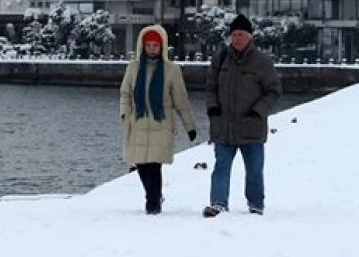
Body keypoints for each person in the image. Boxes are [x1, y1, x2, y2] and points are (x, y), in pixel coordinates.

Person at [204, 14, 282, 217]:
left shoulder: (262, 62)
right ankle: (218, 202)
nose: (237, 39)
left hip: (251, 126)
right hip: (224, 126)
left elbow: (274, 91)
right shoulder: (220, 59)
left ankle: (256, 204)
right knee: (221, 167)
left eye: (241, 34)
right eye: (234, 35)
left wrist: (258, 111)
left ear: (249, 37)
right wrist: (212, 108)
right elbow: (210, 88)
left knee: (254, 170)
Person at [120, 25, 197, 214]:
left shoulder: (172, 70)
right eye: (149, 45)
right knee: (140, 164)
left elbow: (181, 100)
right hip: (138, 121)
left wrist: (190, 126)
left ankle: (152, 201)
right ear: (142, 46)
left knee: (154, 164)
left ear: (162, 46)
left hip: (161, 122)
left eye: (155, 45)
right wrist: (125, 113)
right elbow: (125, 93)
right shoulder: (133, 67)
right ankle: (153, 195)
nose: (152, 48)